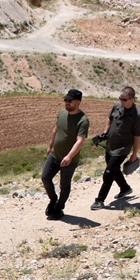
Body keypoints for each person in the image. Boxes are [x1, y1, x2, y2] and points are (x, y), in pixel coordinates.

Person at [92, 85, 140, 210]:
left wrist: (134, 153)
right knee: (113, 169)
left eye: (124, 99)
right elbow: (109, 120)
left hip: (122, 148)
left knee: (108, 173)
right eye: (120, 98)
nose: (122, 101)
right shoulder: (116, 106)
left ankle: (100, 200)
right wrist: (105, 133)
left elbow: (137, 136)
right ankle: (125, 188)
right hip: (110, 145)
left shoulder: (137, 115)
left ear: (132, 99)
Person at [42, 90, 89, 220]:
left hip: (69, 160)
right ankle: (53, 200)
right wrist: (50, 146)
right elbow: (55, 130)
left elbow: (80, 141)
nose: (66, 103)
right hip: (54, 155)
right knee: (45, 177)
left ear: (78, 102)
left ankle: (59, 207)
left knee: (64, 184)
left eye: (70, 101)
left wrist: (69, 156)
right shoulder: (62, 113)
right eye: (65, 100)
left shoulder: (83, 120)